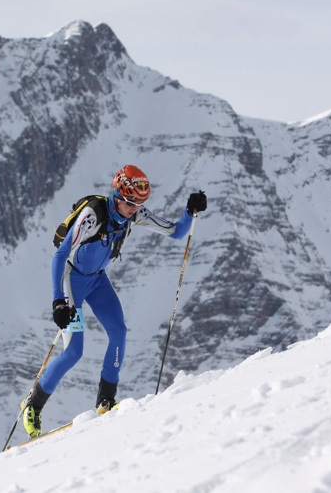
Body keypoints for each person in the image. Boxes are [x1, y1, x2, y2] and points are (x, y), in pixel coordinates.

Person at [21, 164, 207, 437]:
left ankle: (105, 401)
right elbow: (60, 256)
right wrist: (58, 302)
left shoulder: (134, 214)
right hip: (72, 281)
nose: (135, 209)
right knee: (74, 352)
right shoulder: (91, 216)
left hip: (97, 280)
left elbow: (177, 232)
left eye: (139, 203)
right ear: (118, 195)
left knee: (119, 332)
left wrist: (190, 212)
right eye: (131, 203)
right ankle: (33, 405)